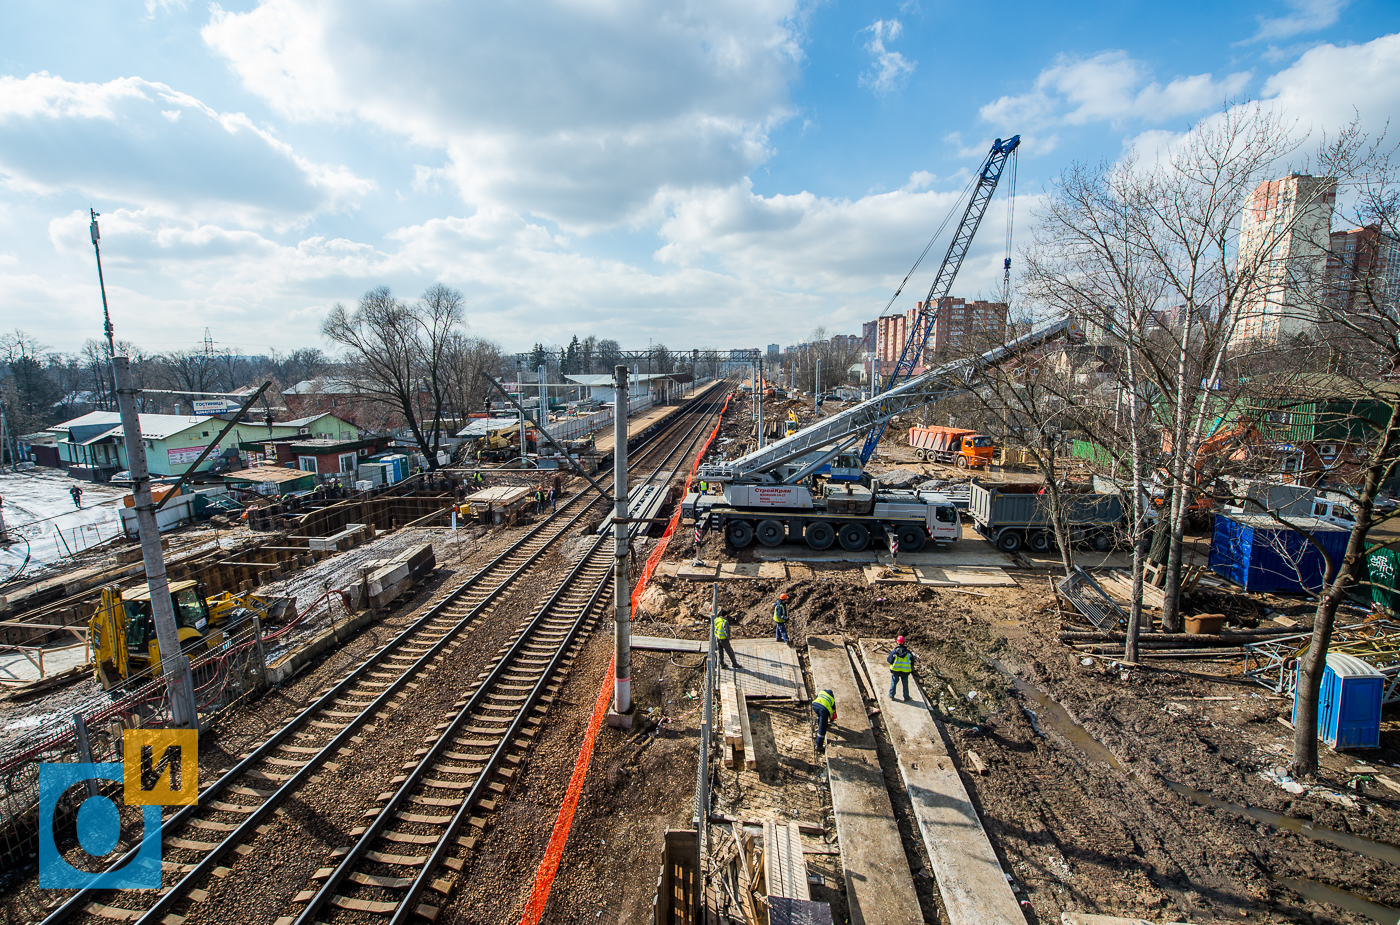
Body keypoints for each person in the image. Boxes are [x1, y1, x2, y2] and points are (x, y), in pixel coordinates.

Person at [887, 636, 917, 700]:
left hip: (895, 670)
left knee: (894, 682)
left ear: (897, 642)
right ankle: (906, 697)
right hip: (905, 671)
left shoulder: (894, 652)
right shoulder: (908, 653)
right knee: (905, 683)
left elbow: (889, 660)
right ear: (904, 642)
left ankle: (891, 695)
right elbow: (912, 662)